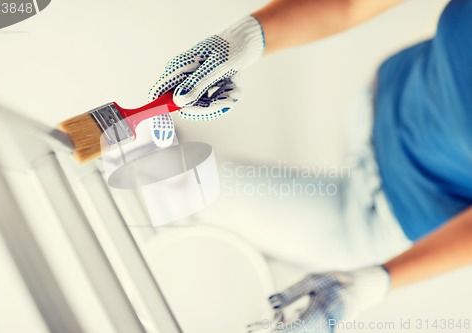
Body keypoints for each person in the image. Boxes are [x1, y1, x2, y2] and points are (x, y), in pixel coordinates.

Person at [148, 0, 472, 331]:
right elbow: (350, 5)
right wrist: (237, 42)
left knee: (175, 185)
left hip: (376, 221)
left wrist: (366, 285)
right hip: (375, 105)